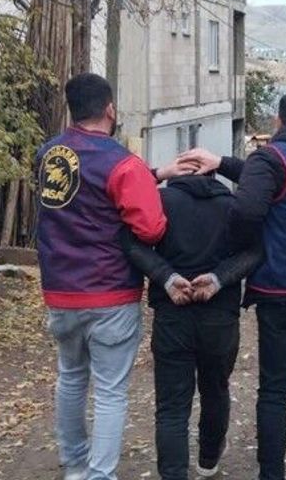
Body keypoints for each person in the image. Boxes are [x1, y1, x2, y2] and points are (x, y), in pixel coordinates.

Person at [179, 90, 286, 480]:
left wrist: (236, 250)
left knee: (275, 390)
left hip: (283, 290)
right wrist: (222, 163)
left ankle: (271, 474)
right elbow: (281, 183)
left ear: (279, 121)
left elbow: (248, 206)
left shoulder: (271, 157)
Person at [35, 72, 187, 480]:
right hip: (109, 293)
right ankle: (100, 475)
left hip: (60, 291)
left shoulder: (48, 155)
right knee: (109, 391)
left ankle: (74, 467)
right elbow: (150, 229)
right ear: (110, 110)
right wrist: (151, 186)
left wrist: (155, 174)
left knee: (70, 378)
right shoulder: (122, 163)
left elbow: (90, 188)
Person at [120, 170, 264, 480]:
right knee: (216, 390)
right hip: (220, 317)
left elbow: (131, 244)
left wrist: (166, 277)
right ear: (213, 174)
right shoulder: (232, 206)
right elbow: (254, 251)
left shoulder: (161, 201)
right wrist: (219, 278)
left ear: (178, 175)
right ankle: (209, 459)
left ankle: (173, 473)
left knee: (171, 406)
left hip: (173, 313)